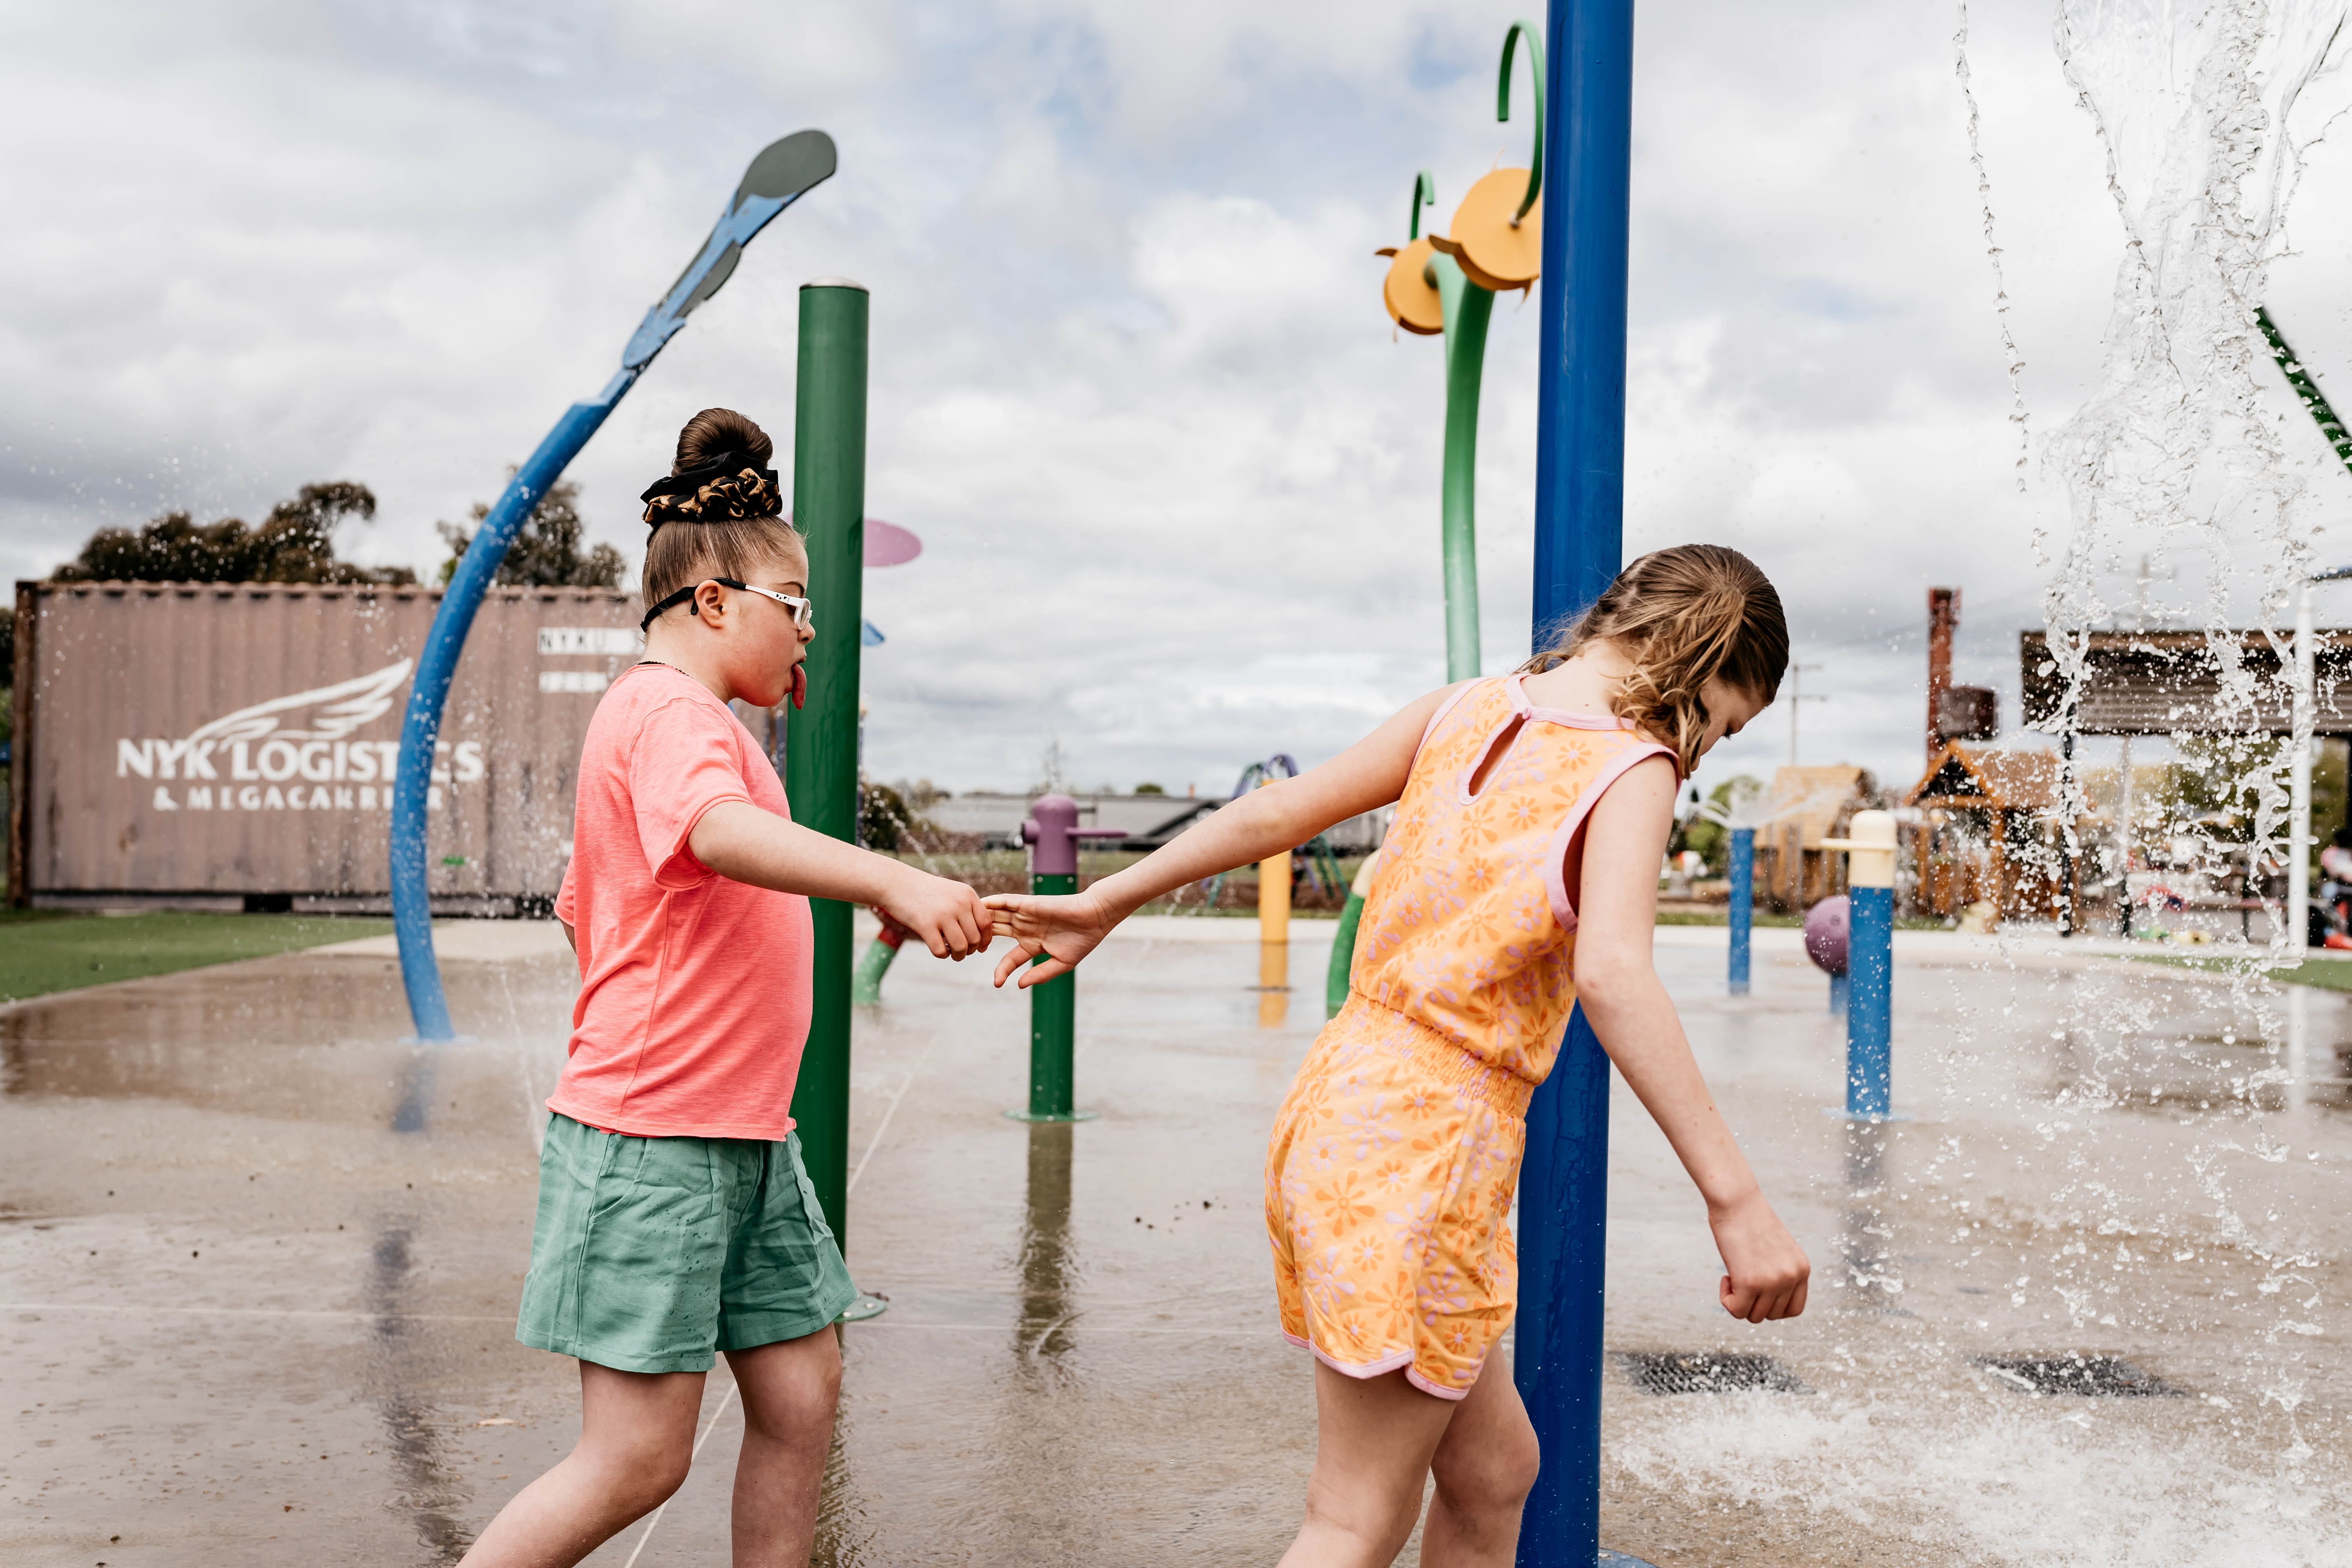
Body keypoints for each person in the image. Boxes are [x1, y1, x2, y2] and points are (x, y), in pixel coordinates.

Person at [987, 544, 1812, 1567]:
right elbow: (1613, 975)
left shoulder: (1466, 707)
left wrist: (1109, 898)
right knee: (1353, 1521)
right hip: (1428, 1154)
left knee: (1492, 1471)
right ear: (1702, 666)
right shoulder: (1635, 765)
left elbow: (1278, 814)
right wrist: (1737, 1201)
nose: (1707, 751)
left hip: (1338, 1112)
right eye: (1725, 726)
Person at [462, 408, 994, 1568]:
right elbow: (714, 833)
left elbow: (584, 912)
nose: (812, 630)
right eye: (796, 606)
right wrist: (890, 884)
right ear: (714, 604)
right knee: (638, 1459)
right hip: (656, 1143)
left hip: (745, 1134)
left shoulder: (691, 725)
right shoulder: (663, 712)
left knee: (801, 1391)